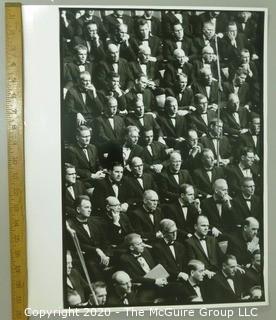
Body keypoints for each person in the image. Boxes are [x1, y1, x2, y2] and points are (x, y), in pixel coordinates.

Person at [66, 196, 111, 281]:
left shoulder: (96, 222)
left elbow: (105, 242)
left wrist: (107, 255)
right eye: (86, 207)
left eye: (90, 207)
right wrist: (96, 250)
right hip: (86, 257)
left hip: (103, 255)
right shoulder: (70, 225)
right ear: (78, 210)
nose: (90, 210)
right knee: (92, 265)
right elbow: (76, 244)